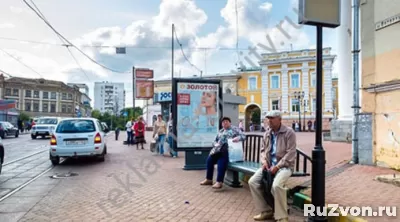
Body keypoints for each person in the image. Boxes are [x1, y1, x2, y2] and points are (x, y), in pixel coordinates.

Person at [248, 110, 296, 222]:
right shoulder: (267, 133)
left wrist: (278, 167)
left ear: (279, 119)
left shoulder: (289, 132)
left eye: (272, 118)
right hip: (269, 166)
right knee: (253, 182)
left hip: (285, 166)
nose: (269, 120)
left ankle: (282, 216)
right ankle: (266, 211)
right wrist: (264, 161)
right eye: (268, 118)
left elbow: (291, 153)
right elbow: (263, 150)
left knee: (277, 186)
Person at [200, 116, 246, 189]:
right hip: (218, 150)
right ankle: (209, 179)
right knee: (209, 159)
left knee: (221, 160)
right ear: (221, 124)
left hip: (230, 151)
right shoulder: (221, 131)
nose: (225, 123)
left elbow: (243, 136)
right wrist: (215, 144)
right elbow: (214, 141)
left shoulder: (235, 129)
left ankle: (219, 182)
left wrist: (238, 138)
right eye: (223, 122)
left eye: (227, 121)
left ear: (230, 123)